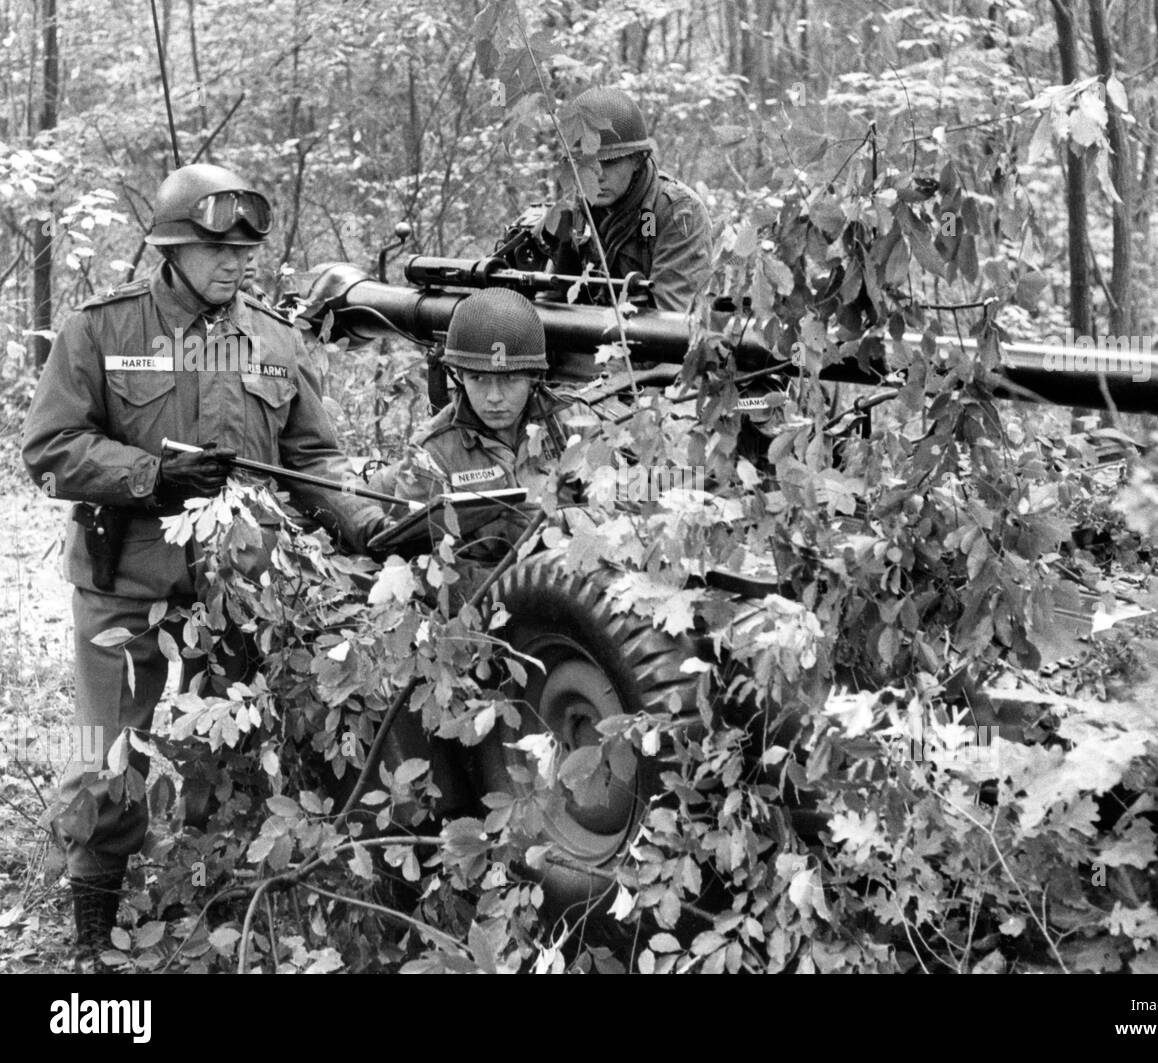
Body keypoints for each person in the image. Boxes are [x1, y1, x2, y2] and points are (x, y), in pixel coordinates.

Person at [21, 162, 390, 965]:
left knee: (236, 755)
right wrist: (149, 477)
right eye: (215, 248)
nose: (235, 263)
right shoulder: (102, 330)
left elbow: (317, 461)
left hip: (242, 590)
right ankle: (94, 927)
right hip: (127, 581)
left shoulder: (274, 338)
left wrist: (368, 521)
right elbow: (48, 449)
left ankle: (219, 902)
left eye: (246, 251)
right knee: (104, 755)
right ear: (171, 248)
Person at [368, 287, 570, 565]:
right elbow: (418, 560)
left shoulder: (570, 426)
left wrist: (559, 520)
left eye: (511, 379)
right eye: (478, 378)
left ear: (534, 377)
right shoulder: (432, 452)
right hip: (492, 593)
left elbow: (627, 508)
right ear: (460, 377)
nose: (494, 397)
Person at [541, 86, 714, 313]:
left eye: (610, 163)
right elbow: (553, 294)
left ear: (636, 160)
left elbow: (669, 319)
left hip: (649, 340)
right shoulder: (576, 210)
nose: (597, 175)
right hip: (585, 336)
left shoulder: (674, 212)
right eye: (585, 163)